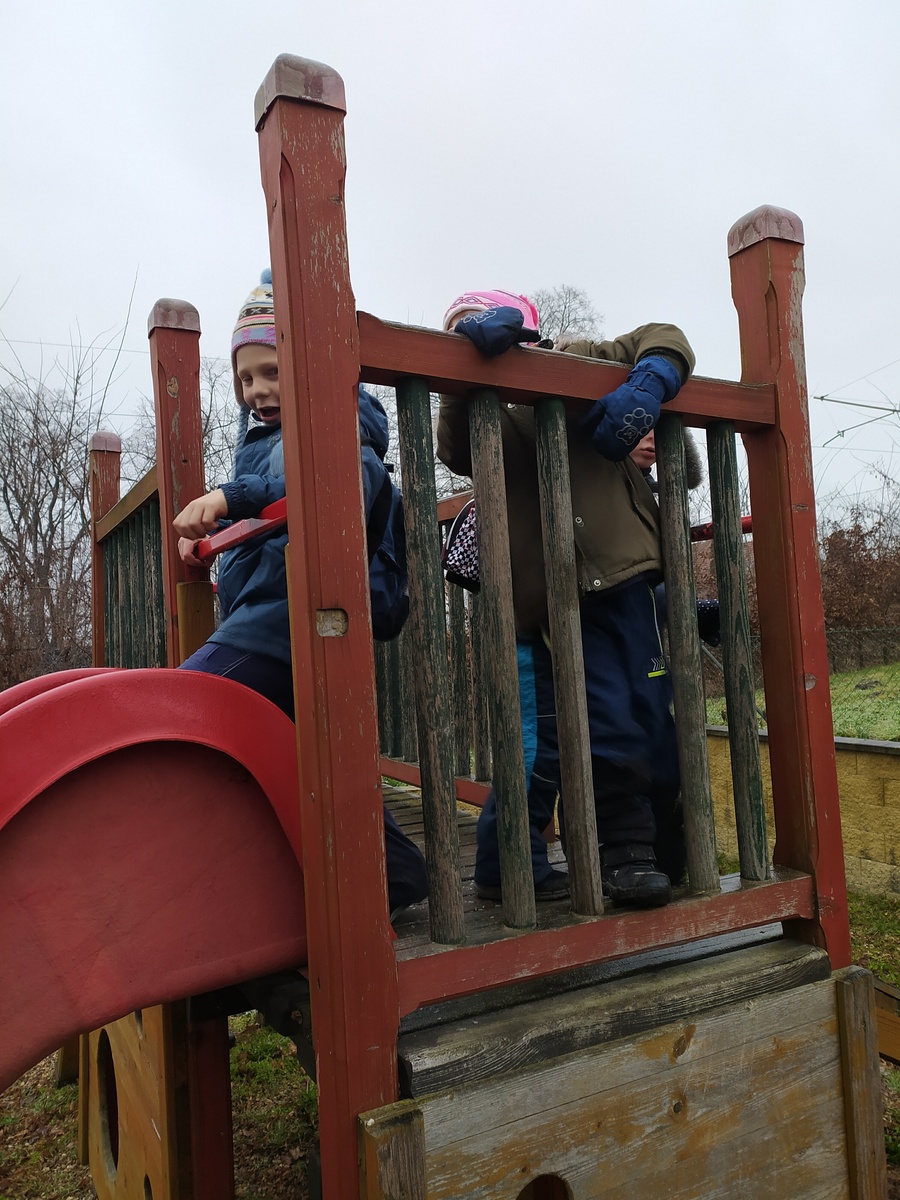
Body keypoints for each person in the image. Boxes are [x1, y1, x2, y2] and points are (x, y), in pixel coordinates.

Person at [174, 270, 428, 917]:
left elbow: (320, 483)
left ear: (311, 369)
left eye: (272, 371)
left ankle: (197, 879)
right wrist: (210, 535)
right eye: (245, 379)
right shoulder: (262, 444)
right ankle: (398, 874)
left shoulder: (343, 433)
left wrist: (228, 499)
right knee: (319, 768)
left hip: (291, 622)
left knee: (183, 705)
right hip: (270, 621)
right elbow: (269, 509)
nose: (256, 390)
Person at [436, 290, 696, 908]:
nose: (470, 337)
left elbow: (665, 333)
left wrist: (650, 380)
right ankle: (624, 855)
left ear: (529, 331)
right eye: (457, 333)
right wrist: (461, 377)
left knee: (652, 717)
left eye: (479, 325)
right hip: (557, 597)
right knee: (603, 723)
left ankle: (667, 845)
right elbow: (453, 448)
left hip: (628, 574)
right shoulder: (486, 413)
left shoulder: (580, 362)